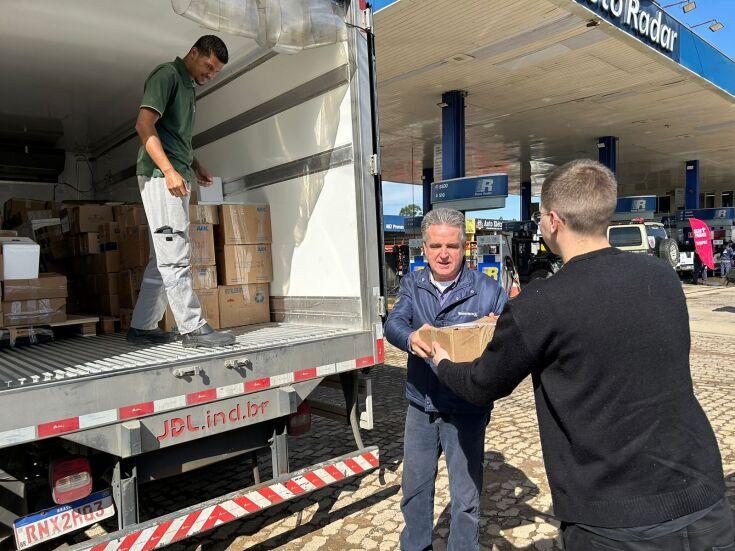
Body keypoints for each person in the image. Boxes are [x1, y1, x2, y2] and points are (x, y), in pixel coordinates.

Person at [429, 160, 733, 551]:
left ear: (554, 220)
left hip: (614, 520)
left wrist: (440, 360)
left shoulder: (540, 302)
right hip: (704, 501)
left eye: (539, 217)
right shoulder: (661, 277)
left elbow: (481, 384)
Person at [384, 208, 508, 551]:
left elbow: (508, 346)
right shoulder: (412, 284)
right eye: (436, 245)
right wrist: (410, 339)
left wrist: (494, 328)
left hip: (465, 410)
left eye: (451, 246)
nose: (443, 254)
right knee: (414, 493)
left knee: (466, 500)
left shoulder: (487, 290)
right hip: (421, 406)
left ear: (464, 246)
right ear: (424, 248)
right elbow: (393, 325)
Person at [128, 36, 236, 348]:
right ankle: (192, 327)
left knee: (160, 257)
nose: (210, 74)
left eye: (216, 72)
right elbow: (144, 125)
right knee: (175, 253)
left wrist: (194, 164)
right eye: (208, 66)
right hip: (160, 176)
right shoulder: (167, 76)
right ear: (193, 53)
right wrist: (170, 171)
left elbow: (176, 137)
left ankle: (142, 326)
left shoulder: (187, 87)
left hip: (174, 173)